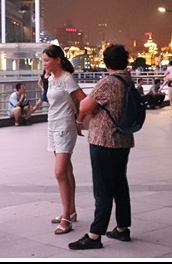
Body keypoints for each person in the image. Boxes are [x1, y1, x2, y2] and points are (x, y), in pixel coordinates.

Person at [68, 44, 134, 250]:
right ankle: (122, 228)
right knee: (119, 184)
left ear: (106, 62)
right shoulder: (127, 79)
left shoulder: (108, 82)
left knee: (103, 188)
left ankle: (95, 235)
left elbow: (84, 106)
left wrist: (79, 119)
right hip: (123, 139)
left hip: (105, 140)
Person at [43, 44, 86, 235]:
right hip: (52, 125)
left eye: (46, 60)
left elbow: (83, 99)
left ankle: (67, 218)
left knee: (60, 171)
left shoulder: (67, 79)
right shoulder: (51, 79)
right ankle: (70, 211)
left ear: (57, 59)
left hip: (64, 128)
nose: (44, 64)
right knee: (66, 170)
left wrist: (79, 119)